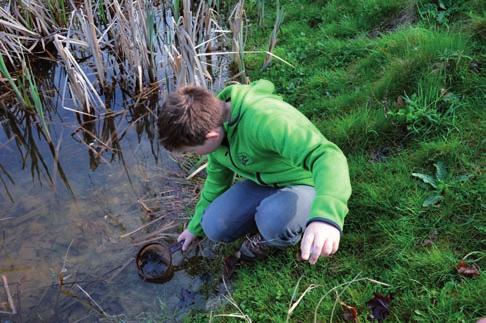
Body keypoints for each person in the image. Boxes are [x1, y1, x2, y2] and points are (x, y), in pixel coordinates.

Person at [157, 79, 351, 265]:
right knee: (213, 226)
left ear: (211, 137)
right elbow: (216, 183)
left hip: (308, 181)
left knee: (273, 220)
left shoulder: (266, 120)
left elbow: (327, 156)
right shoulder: (213, 123)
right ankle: (268, 214)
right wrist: (194, 228)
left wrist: (327, 217)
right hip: (266, 182)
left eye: (191, 151)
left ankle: (276, 233)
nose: (194, 154)